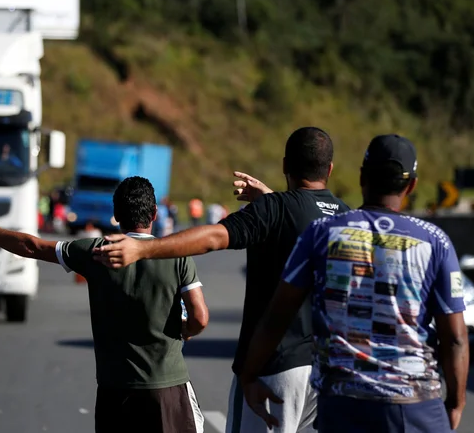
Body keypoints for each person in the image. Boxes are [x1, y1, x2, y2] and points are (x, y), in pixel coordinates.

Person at [93, 127, 350, 433]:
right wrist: (271, 200)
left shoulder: (275, 209)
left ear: (285, 165)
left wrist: (144, 247)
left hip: (275, 367)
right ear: (330, 169)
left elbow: (215, 237)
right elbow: (303, 222)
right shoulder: (346, 217)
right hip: (328, 371)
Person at [240, 134, 469, 433]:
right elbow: (455, 339)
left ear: (362, 177)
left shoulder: (322, 233)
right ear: (411, 186)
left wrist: (249, 375)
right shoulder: (435, 241)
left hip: (345, 406)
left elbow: (276, 317)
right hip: (417, 409)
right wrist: (455, 403)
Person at [0, 176, 209, 433]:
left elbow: (32, 246)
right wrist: (186, 329)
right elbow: (200, 318)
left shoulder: (94, 252)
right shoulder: (177, 255)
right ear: (154, 214)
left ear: (116, 215)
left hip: (114, 390)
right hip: (168, 388)